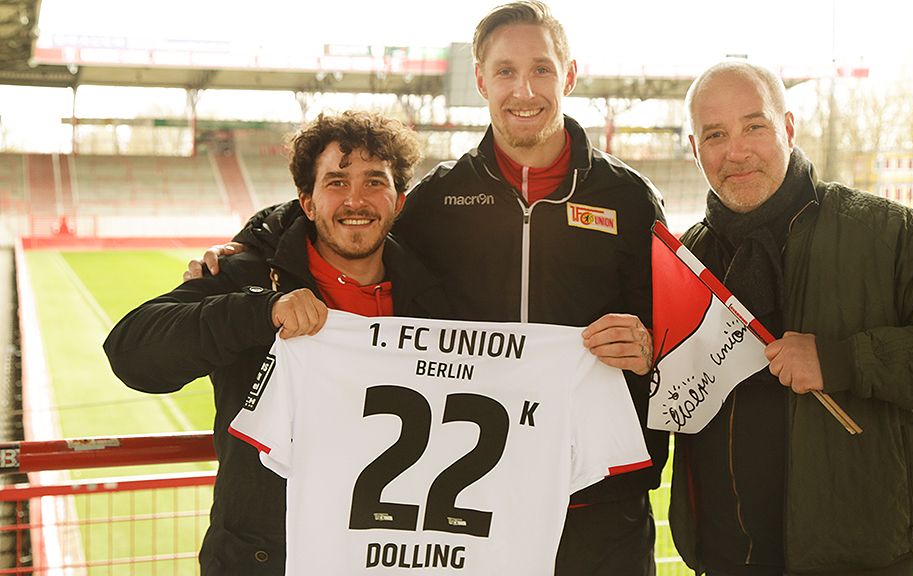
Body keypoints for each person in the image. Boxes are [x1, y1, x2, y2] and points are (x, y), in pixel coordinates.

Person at [187, 2, 667, 574]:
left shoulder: (630, 199)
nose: (524, 89)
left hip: (600, 504)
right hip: (478, 509)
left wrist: (647, 347)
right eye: (506, 71)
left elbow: (672, 334)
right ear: (481, 79)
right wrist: (250, 244)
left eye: (541, 69)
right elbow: (348, 221)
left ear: (568, 75)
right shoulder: (438, 200)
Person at [670, 59, 913, 576]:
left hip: (867, 561)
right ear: (695, 148)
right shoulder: (688, 260)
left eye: (754, 126)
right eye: (715, 134)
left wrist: (841, 359)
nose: (736, 151)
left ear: (788, 128)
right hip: (726, 562)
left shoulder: (886, 232)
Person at [104, 110, 451, 575]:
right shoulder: (245, 275)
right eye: (336, 182)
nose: (356, 200)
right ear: (306, 203)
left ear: (398, 201)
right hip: (262, 558)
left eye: (374, 182)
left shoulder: (437, 299)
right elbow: (130, 352)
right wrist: (261, 310)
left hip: (386, 556)